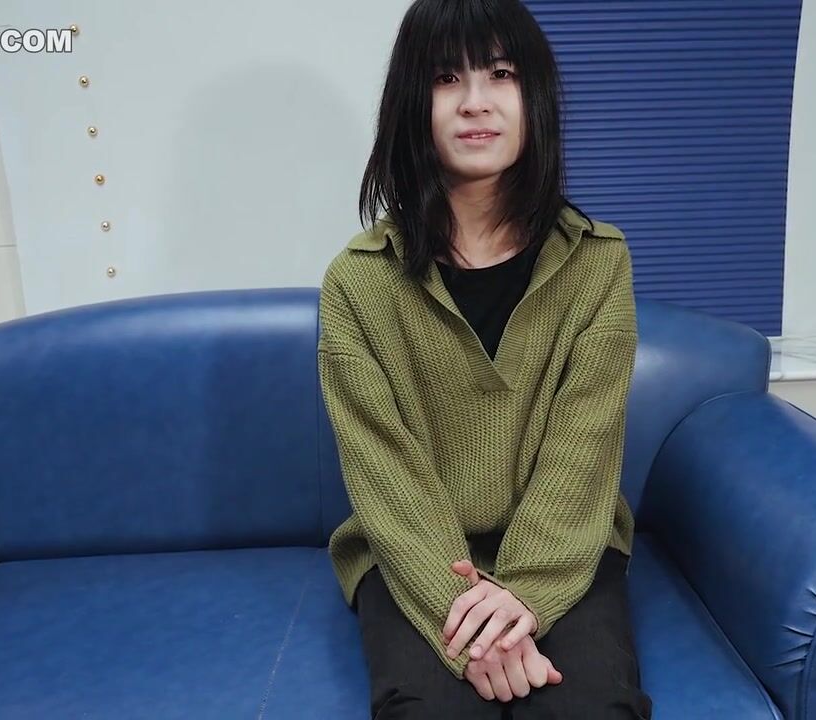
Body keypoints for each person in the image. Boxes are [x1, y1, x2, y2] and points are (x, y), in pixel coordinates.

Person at [317, 1, 652, 717]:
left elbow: (584, 450)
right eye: (446, 79)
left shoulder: (599, 263)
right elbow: (384, 472)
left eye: (501, 74)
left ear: (535, 96)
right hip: (414, 552)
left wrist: (523, 591)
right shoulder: (357, 282)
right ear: (413, 103)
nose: (475, 102)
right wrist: (466, 615)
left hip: (566, 542)